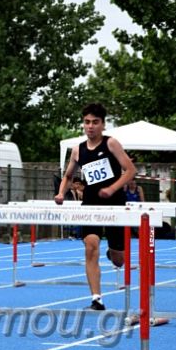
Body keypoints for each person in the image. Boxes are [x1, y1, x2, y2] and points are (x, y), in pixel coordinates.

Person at [55, 103, 136, 310]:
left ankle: (114, 252)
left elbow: (130, 170)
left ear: (102, 125)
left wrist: (112, 188)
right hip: (91, 203)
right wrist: (61, 193)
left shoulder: (112, 144)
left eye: (95, 122)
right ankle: (96, 298)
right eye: (87, 122)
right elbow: (68, 175)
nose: (90, 126)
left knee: (119, 260)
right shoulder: (77, 150)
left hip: (115, 203)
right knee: (91, 248)